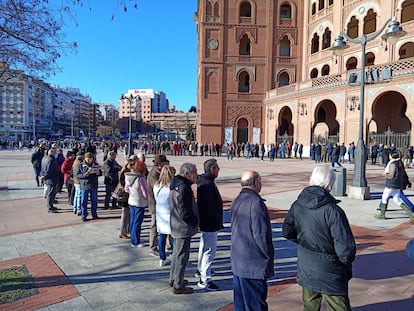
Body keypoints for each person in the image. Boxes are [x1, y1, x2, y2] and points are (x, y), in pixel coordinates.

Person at [283, 165, 356, 311]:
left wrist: (305, 242)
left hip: (307, 263)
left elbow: (287, 231)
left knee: (310, 305)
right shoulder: (333, 211)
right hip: (330, 268)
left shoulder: (298, 204)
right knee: (338, 306)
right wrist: (344, 263)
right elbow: (345, 248)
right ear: (329, 184)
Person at [231, 170, 274, 310]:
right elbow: (261, 235)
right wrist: (268, 255)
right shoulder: (256, 203)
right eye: (260, 182)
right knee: (255, 305)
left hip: (239, 260)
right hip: (252, 263)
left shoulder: (238, 199)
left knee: (241, 304)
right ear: (255, 183)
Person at [169, 163, 199, 294]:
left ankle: (174, 278)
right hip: (182, 226)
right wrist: (194, 221)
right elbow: (184, 211)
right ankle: (178, 285)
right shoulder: (184, 188)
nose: (196, 175)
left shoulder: (175, 184)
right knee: (182, 256)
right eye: (195, 172)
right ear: (187, 174)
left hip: (175, 224)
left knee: (176, 254)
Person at [196, 158, 223, 291]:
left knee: (204, 246)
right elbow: (209, 206)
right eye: (217, 168)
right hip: (210, 222)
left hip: (207, 221)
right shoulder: (207, 184)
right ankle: (204, 279)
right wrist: (216, 218)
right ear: (212, 169)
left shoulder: (204, 181)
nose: (219, 170)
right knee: (209, 250)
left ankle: (200, 269)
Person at [376, 152, 414, 222]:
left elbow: (391, 175)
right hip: (397, 185)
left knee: (384, 198)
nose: (389, 156)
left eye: (390, 155)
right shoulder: (399, 163)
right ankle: (411, 214)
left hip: (391, 184)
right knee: (397, 200)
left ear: (392, 156)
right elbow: (403, 173)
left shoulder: (392, 164)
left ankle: (382, 214)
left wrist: (385, 175)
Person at [147, 154, 170, 257]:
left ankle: (169, 244)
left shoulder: (160, 172)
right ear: (160, 165)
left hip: (162, 205)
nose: (167, 165)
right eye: (166, 163)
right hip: (155, 205)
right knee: (155, 226)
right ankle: (153, 246)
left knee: (167, 224)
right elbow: (158, 188)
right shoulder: (153, 175)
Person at [153, 165, 176, 266]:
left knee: (162, 236)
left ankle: (162, 257)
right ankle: (176, 257)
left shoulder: (157, 185)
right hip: (170, 214)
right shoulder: (171, 187)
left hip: (160, 213)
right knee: (174, 237)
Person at [125, 160, 148, 247]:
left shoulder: (129, 176)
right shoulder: (141, 179)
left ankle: (134, 238)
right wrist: (148, 199)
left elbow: (126, 189)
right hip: (139, 202)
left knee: (132, 220)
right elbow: (145, 193)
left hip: (131, 200)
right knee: (137, 222)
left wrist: (132, 192)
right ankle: (135, 241)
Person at [76, 152, 102, 222]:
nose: (89, 161)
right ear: (85, 158)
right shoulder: (81, 165)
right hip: (84, 185)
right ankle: (84, 215)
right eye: (88, 159)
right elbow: (77, 175)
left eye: (90, 159)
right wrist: (84, 175)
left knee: (94, 201)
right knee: (84, 201)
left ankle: (94, 214)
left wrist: (98, 173)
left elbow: (100, 173)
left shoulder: (95, 164)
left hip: (93, 185)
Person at [118, 157, 135, 239]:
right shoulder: (125, 173)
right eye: (131, 165)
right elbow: (123, 184)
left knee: (128, 214)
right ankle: (123, 231)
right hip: (125, 196)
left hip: (128, 195)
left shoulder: (129, 172)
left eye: (133, 164)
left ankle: (127, 230)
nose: (132, 166)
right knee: (125, 214)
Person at [40, 148, 60, 213]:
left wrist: (43, 176)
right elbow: (49, 170)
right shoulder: (51, 160)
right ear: (51, 153)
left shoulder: (45, 158)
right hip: (52, 179)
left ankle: (51, 205)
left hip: (49, 179)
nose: (55, 153)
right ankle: (50, 207)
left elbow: (43, 168)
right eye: (54, 152)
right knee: (51, 193)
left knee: (50, 193)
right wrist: (45, 176)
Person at [72, 150, 85, 215]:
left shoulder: (75, 161)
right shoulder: (79, 163)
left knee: (76, 195)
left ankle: (75, 208)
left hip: (75, 180)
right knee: (79, 195)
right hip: (79, 180)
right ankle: (79, 209)